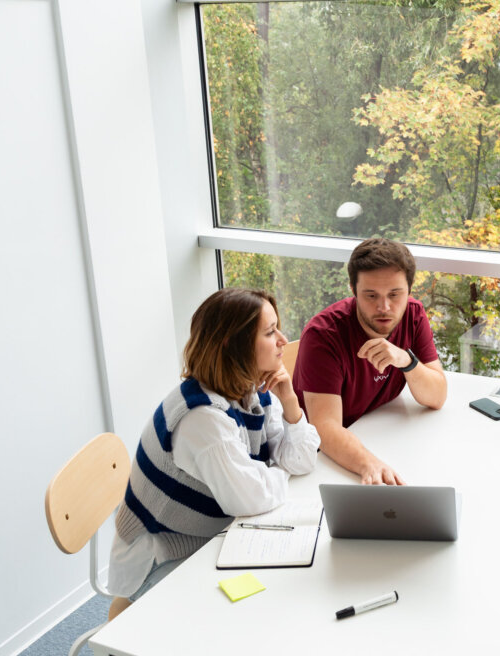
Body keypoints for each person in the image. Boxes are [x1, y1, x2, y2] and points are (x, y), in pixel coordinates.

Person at [107, 288, 320, 602]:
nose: (282, 340)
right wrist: (277, 468)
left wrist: (289, 402)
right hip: (163, 556)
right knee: (266, 602)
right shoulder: (202, 418)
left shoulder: (250, 389)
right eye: (270, 331)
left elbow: (302, 459)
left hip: (216, 534)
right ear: (232, 344)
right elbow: (250, 499)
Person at [294, 238, 447, 485]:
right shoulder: (323, 335)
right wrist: (369, 464)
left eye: (395, 294)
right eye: (371, 295)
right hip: (322, 458)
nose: (384, 307)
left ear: (409, 290)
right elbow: (324, 427)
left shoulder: (414, 314)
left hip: (379, 433)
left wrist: (405, 360)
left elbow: (437, 396)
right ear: (353, 291)